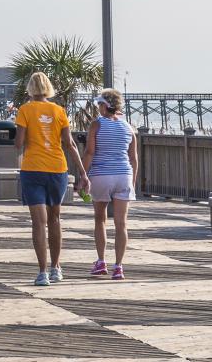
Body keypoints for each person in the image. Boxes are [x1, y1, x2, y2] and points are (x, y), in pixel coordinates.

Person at [14, 72, 88, 287]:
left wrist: (26, 136)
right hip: (57, 169)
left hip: (33, 168)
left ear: (30, 88)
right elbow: (70, 144)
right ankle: (56, 268)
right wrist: (83, 173)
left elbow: (18, 143)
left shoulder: (25, 110)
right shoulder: (59, 111)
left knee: (38, 222)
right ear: (48, 88)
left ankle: (42, 272)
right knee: (55, 219)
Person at [82, 88, 137, 280]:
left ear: (106, 106)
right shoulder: (128, 127)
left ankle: (101, 261)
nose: (98, 108)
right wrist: (133, 181)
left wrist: (83, 175)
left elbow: (89, 152)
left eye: (99, 105)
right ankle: (119, 266)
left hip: (101, 175)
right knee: (121, 223)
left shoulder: (96, 125)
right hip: (124, 175)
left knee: (100, 219)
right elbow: (134, 158)